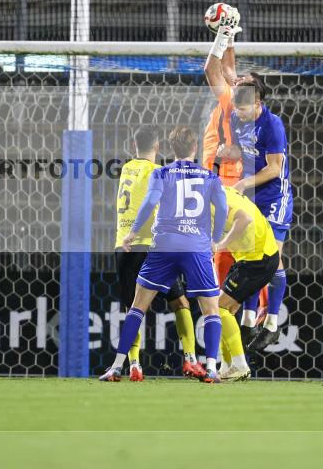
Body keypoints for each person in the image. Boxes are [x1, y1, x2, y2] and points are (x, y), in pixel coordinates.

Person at [100, 126, 228, 383]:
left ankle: (117, 366)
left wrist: (132, 232)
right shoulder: (210, 177)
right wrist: (215, 240)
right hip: (196, 246)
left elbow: (149, 203)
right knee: (210, 311)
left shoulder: (160, 172)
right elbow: (223, 208)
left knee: (136, 307)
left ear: (170, 149)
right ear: (195, 149)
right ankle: (210, 367)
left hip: (163, 246)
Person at [204, 22, 293, 352]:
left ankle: (271, 322)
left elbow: (274, 168)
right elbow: (227, 68)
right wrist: (228, 34)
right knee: (250, 254)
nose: (237, 82)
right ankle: (249, 318)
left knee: (272, 259)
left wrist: (242, 180)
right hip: (250, 191)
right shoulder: (238, 112)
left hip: (272, 194)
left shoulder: (270, 124)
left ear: (258, 99)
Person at [212, 185, 280, 381]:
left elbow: (245, 219)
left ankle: (240, 365)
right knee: (225, 311)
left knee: (218, 308)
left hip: (258, 259)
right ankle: (226, 367)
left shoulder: (217, 198)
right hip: (251, 258)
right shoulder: (220, 193)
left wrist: (221, 245)